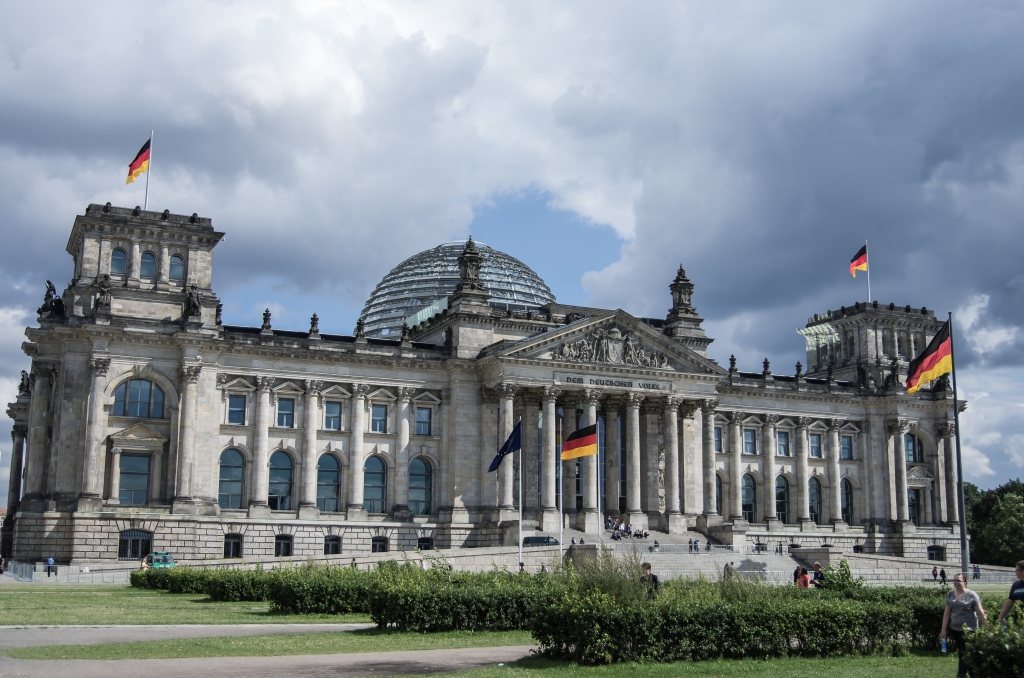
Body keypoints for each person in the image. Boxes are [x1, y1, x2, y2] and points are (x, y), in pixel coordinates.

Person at [941, 572, 988, 678]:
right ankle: (974, 673)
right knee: (967, 652)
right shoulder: (950, 594)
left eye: (959, 581)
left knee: (964, 651)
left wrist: (987, 628)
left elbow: (980, 613)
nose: (956, 582)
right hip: (955, 629)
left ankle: (961, 674)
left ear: (965, 583)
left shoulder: (972, 595)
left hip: (969, 629)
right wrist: (943, 629)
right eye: (955, 580)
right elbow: (947, 613)